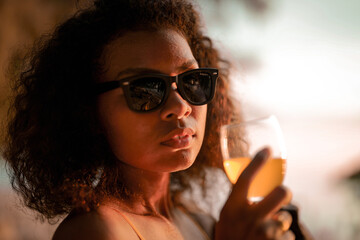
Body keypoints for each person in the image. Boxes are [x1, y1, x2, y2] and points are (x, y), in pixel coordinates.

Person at [2, 0, 299, 239]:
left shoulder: (202, 222)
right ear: (87, 111)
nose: (180, 106)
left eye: (192, 81)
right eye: (145, 89)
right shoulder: (95, 231)